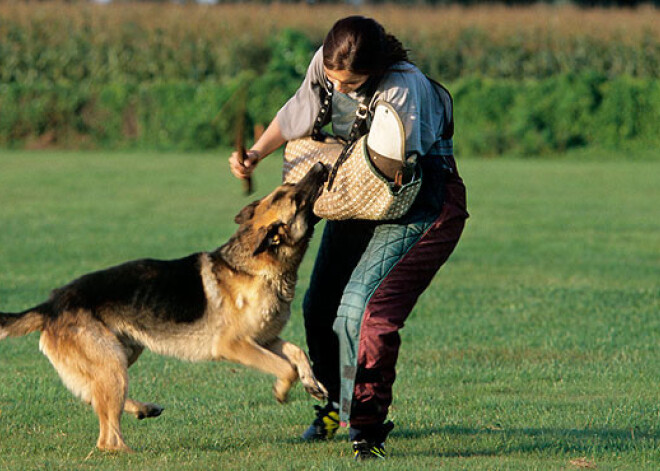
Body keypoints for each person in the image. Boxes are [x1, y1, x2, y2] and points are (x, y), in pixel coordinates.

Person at [229, 16, 468, 461]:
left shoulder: (404, 89)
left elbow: (393, 167)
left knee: (365, 311)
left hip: (420, 199)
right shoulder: (326, 65)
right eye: (334, 80)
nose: (339, 89)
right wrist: (257, 153)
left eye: (351, 83)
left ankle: (367, 429)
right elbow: (298, 112)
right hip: (358, 188)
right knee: (320, 305)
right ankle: (334, 405)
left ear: (375, 70)